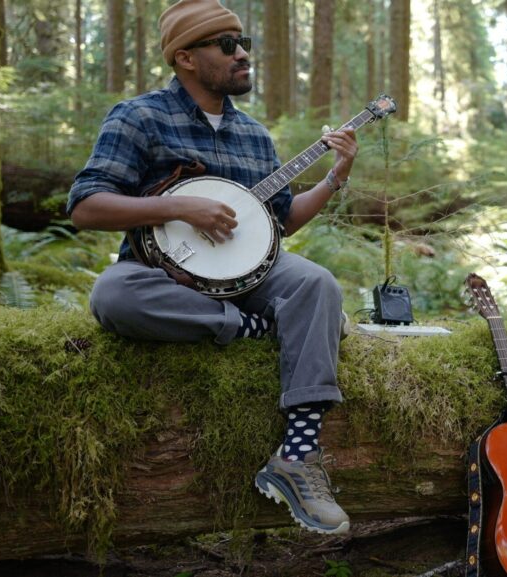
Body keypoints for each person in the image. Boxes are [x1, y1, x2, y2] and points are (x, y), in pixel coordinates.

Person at [68, 0, 355, 535]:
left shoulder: (253, 136)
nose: (242, 54)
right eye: (227, 46)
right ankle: (253, 329)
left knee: (316, 283)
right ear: (186, 58)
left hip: (251, 277)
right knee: (113, 296)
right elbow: (86, 206)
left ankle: (298, 456)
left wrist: (335, 176)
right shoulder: (140, 117)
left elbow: (283, 222)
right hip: (162, 276)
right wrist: (176, 206)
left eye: (244, 43)